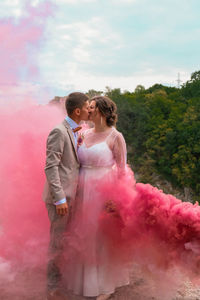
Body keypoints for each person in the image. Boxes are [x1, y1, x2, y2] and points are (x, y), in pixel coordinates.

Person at [63, 96, 129, 300]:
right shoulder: (83, 134)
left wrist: (117, 198)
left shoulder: (116, 136)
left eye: (91, 107)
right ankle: (83, 281)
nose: (87, 111)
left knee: (100, 235)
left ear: (101, 111)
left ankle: (104, 285)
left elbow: (122, 170)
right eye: (87, 107)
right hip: (82, 188)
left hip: (103, 190)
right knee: (82, 232)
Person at [43, 92, 89, 300]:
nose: (90, 110)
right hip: (61, 198)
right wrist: (59, 198)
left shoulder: (76, 130)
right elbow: (51, 167)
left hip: (74, 195)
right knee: (58, 241)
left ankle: (63, 278)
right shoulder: (58, 131)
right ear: (78, 110)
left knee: (67, 239)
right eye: (88, 107)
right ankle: (52, 287)